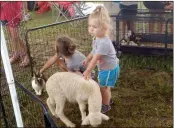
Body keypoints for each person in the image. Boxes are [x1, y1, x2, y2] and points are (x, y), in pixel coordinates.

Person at [82, 6, 120, 114]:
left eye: (94, 26)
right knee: (105, 87)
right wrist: (87, 58)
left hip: (108, 70)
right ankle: (108, 99)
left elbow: (96, 58)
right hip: (106, 68)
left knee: (103, 88)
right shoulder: (97, 38)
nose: (91, 29)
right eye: (89, 26)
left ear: (104, 27)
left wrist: (88, 70)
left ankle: (106, 105)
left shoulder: (103, 42)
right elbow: (94, 51)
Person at [0, 2, 30, 67]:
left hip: (12, 9)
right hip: (4, 9)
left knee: (15, 36)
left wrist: (24, 12)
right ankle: (16, 53)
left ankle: (27, 54)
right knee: (11, 35)